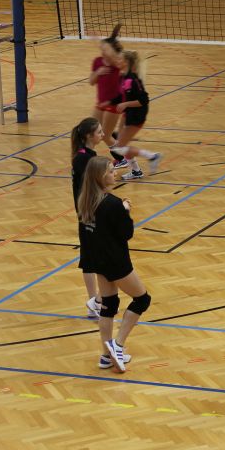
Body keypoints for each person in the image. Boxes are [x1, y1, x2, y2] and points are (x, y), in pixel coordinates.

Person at [78, 156, 150, 373]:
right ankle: (117, 345)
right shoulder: (112, 204)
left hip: (98, 261)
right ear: (100, 177)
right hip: (116, 261)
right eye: (110, 171)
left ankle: (105, 356)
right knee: (142, 299)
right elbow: (126, 233)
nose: (115, 173)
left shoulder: (85, 201)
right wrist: (125, 210)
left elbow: (87, 235)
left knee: (108, 306)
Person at [70, 118, 105, 322]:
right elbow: (89, 190)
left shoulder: (88, 155)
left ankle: (95, 303)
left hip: (89, 212)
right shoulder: (84, 159)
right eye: (99, 132)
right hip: (89, 214)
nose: (103, 135)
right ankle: (95, 301)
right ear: (89, 136)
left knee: (92, 258)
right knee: (92, 259)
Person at [111, 49, 163, 181]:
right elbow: (122, 95)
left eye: (120, 59)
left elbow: (143, 100)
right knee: (120, 144)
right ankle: (136, 171)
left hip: (137, 115)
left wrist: (125, 104)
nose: (117, 61)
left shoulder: (132, 80)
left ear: (126, 62)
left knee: (119, 148)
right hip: (128, 113)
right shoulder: (123, 77)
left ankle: (152, 156)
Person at [89, 25, 127, 171]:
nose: (102, 51)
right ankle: (89, 158)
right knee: (91, 131)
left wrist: (100, 41)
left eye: (105, 49)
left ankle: (123, 159)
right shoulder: (98, 61)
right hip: (101, 103)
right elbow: (91, 82)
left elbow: (112, 56)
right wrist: (98, 72)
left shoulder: (117, 63)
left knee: (105, 135)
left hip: (113, 103)